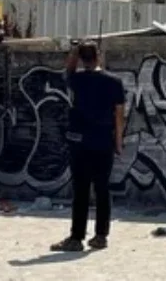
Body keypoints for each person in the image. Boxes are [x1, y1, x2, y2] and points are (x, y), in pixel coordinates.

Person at [50, 41, 125, 252]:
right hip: (103, 141)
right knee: (102, 189)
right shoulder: (114, 81)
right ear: (98, 56)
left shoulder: (78, 79)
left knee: (80, 191)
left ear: (83, 59)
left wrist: (75, 51)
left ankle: (76, 237)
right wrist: (118, 141)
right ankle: (101, 236)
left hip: (79, 142)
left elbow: (68, 69)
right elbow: (119, 115)